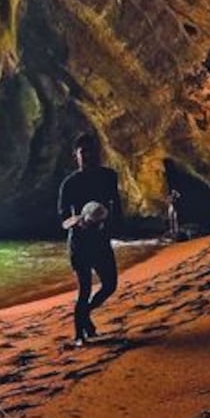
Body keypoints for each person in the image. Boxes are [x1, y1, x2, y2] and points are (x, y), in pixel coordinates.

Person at [58, 133, 122, 345]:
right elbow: (62, 219)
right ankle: (79, 335)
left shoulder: (109, 176)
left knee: (110, 285)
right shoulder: (69, 184)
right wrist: (78, 222)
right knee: (84, 289)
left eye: (90, 151)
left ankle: (84, 315)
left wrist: (108, 223)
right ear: (76, 156)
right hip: (79, 242)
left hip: (101, 240)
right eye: (82, 152)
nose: (87, 155)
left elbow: (116, 207)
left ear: (98, 153)